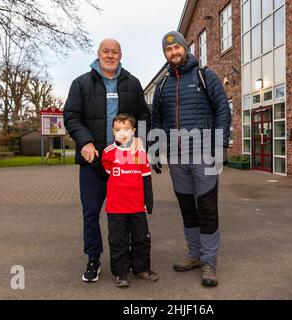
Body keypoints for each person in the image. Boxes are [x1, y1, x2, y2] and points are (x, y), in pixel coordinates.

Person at [63, 38, 150, 283]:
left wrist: (139, 139)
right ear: (98, 54)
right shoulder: (80, 83)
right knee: (91, 213)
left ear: (121, 54)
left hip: (126, 164)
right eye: (105, 51)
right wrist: (85, 142)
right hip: (94, 162)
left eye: (114, 52)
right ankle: (93, 258)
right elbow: (71, 116)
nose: (110, 55)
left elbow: (144, 114)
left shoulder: (132, 84)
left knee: (131, 213)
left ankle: (133, 261)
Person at [151, 31, 231, 286]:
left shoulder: (204, 76)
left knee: (207, 208)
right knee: (188, 210)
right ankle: (194, 255)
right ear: (165, 54)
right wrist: (155, 150)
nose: (173, 53)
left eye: (177, 48)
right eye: (168, 50)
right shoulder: (162, 85)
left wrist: (219, 147)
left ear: (185, 48)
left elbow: (223, 111)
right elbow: (157, 120)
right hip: (176, 159)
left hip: (204, 154)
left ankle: (209, 261)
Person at [101, 113, 158, 288]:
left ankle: (142, 268)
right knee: (119, 240)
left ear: (133, 131)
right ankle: (121, 273)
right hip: (116, 208)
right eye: (118, 129)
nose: (122, 133)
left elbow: (146, 177)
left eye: (126, 129)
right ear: (113, 132)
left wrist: (148, 200)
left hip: (137, 207)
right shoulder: (108, 153)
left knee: (141, 238)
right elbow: (108, 174)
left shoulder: (139, 152)